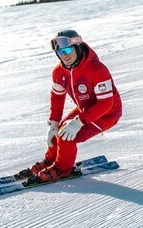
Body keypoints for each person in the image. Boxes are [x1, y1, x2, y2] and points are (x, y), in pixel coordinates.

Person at [29, 29, 123, 182]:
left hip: (107, 114)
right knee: (58, 130)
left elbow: (106, 103)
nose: (64, 55)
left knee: (66, 137)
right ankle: (50, 161)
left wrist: (78, 122)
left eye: (67, 50)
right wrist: (53, 123)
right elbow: (57, 98)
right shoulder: (59, 72)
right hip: (85, 109)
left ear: (78, 47)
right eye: (60, 52)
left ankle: (62, 169)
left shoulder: (97, 69)